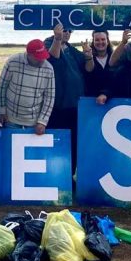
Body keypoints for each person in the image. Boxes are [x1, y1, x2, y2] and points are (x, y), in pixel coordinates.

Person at [45, 24, 86, 167]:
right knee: (56, 142)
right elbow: (52, 58)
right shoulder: (49, 43)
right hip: (57, 106)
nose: (67, 33)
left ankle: (70, 176)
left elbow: (87, 66)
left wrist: (89, 57)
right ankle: (56, 174)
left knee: (74, 142)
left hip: (74, 105)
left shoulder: (71, 49)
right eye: (64, 30)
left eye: (70, 30)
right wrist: (57, 39)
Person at [0, 39, 56, 134]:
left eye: (43, 57)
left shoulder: (48, 68)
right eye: (38, 57)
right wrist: (1, 110)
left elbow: (49, 97)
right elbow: (2, 87)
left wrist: (42, 121)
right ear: (29, 55)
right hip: (10, 120)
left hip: (34, 123)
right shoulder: (13, 62)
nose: (42, 60)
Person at [80, 30, 113, 97]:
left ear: (108, 41)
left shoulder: (114, 57)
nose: (100, 42)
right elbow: (89, 70)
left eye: (103, 39)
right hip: (92, 101)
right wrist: (89, 57)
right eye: (97, 40)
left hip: (114, 101)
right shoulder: (87, 58)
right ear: (93, 42)